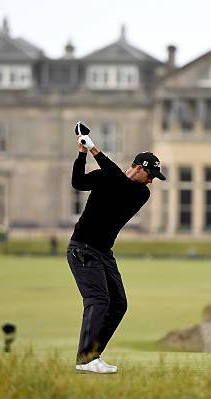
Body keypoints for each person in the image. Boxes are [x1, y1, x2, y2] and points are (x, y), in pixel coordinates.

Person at [67, 127, 166, 374]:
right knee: (99, 299)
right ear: (139, 167)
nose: (153, 179)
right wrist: (83, 153)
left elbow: (119, 181)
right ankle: (85, 359)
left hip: (103, 252)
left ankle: (93, 355)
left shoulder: (140, 192)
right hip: (83, 249)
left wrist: (94, 149)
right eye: (151, 174)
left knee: (118, 303)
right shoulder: (107, 176)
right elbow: (78, 182)